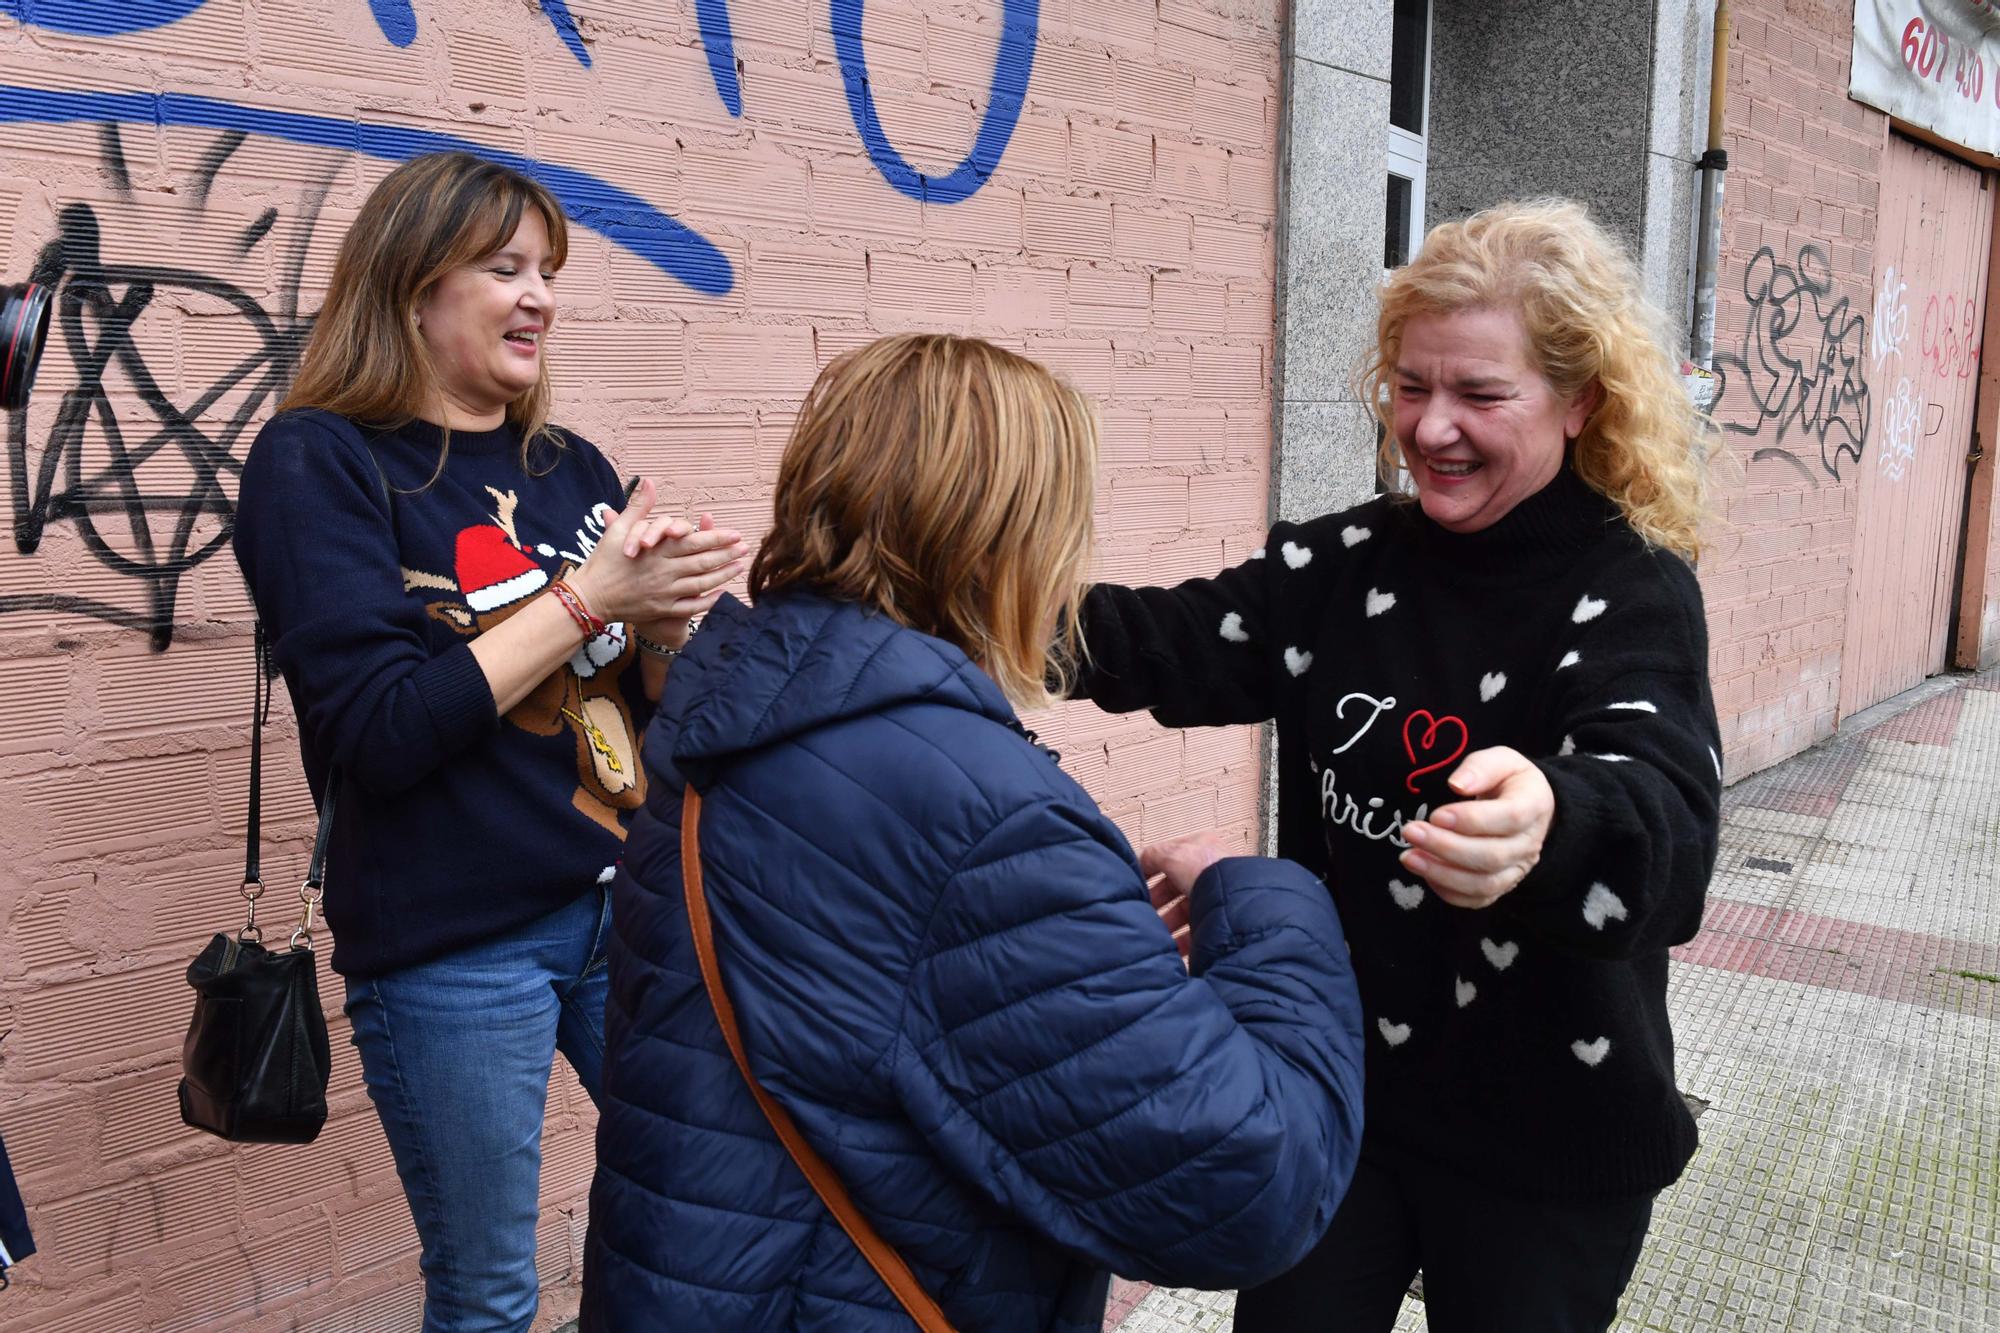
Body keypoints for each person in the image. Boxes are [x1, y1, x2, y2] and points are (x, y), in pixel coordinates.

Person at [581, 333, 1369, 1332]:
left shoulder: (733, 720)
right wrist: (1264, 903)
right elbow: (1246, 1183)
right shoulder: (976, 819)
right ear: (1009, 538)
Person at [1070, 199, 1725, 1332]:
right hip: (1341, 1096)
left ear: (1579, 402)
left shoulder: (1629, 590)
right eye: (1411, 387)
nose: (1430, 429)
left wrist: (1548, 820)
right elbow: (1159, 640)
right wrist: (956, 600)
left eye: (1479, 394)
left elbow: (1660, 806)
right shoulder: (1340, 565)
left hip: (1548, 1132)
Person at [232, 151, 746, 1333]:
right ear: (413, 286)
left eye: (548, 272)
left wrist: (660, 626)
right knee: (489, 1295)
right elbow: (379, 731)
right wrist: (587, 598)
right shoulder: (319, 461)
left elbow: (638, 714)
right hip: (457, 949)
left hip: (626, 910)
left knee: (712, 1205)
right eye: (504, 267)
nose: (539, 296)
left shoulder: (565, 468)